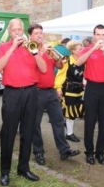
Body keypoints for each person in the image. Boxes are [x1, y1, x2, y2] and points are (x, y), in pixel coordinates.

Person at [0, 18, 47, 186]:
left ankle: (23, 168)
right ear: (10, 32)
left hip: (31, 92)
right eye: (14, 30)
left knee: (28, 132)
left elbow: (44, 68)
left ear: (23, 30)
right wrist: (12, 47)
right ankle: (5, 171)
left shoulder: (33, 46)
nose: (17, 32)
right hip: (12, 93)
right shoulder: (3, 47)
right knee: (8, 133)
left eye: (19, 29)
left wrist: (34, 52)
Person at [29, 24, 80, 167]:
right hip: (36, 91)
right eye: (36, 33)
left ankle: (64, 150)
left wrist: (58, 59)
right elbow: (32, 66)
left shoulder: (49, 49)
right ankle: (38, 151)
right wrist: (41, 52)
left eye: (41, 32)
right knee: (35, 124)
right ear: (31, 36)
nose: (40, 35)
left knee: (58, 121)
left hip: (50, 91)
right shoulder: (30, 49)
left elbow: (59, 66)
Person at [76, 24, 104, 165]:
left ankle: (100, 152)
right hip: (92, 87)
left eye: (103, 35)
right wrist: (94, 49)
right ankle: (89, 152)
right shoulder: (88, 49)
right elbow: (78, 62)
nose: (100, 37)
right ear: (94, 35)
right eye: (98, 34)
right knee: (89, 121)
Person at [55, 40, 84, 143]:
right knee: (70, 112)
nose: (82, 50)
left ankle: (67, 125)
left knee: (77, 111)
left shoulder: (83, 60)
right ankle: (69, 134)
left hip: (79, 91)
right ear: (73, 51)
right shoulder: (66, 60)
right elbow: (60, 75)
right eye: (80, 49)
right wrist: (58, 88)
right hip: (68, 90)